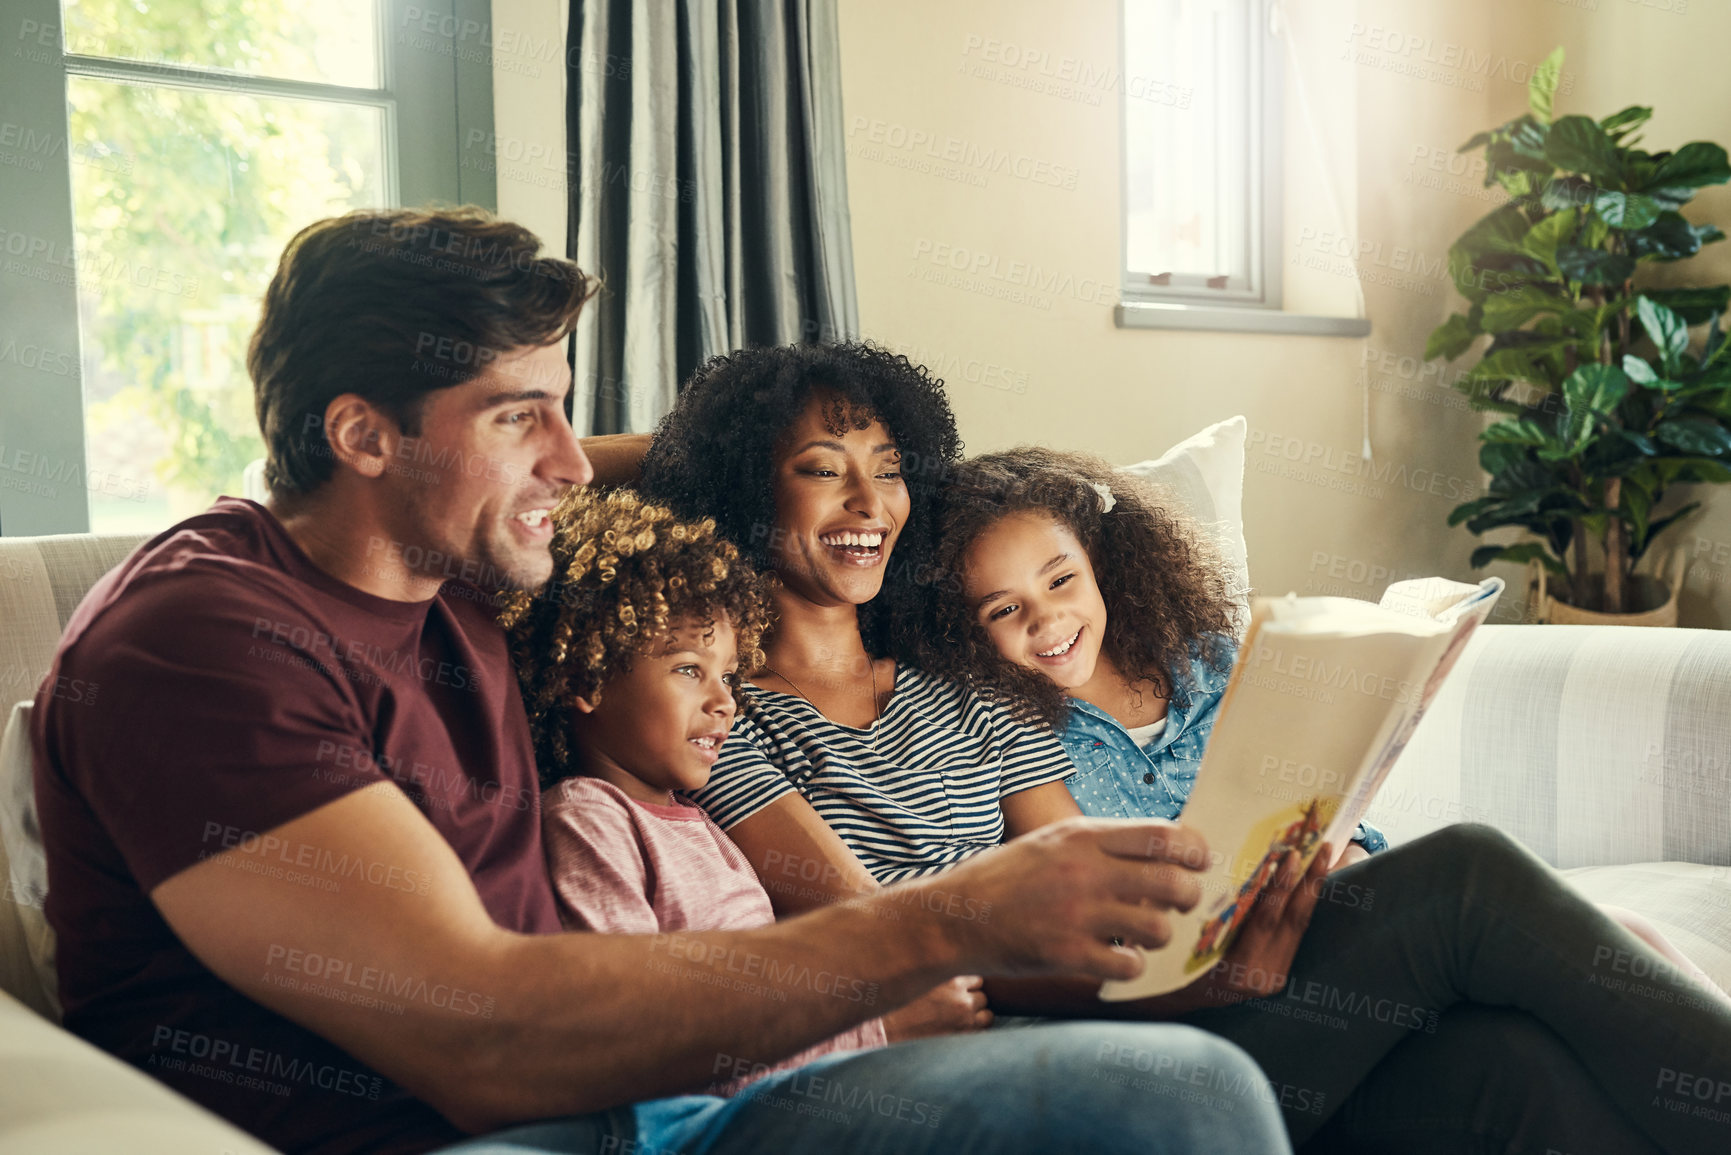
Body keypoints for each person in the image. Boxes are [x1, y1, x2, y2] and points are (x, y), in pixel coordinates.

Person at [29, 207, 1293, 1155]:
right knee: (1178, 1094)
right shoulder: (204, 643)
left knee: (1456, 1035)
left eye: (567, 409)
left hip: (640, 1092)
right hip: (491, 1130)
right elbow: (471, 1031)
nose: (578, 464)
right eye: (523, 414)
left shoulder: (454, 561)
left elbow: (704, 471)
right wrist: (952, 921)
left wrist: (853, 486)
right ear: (364, 434)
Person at [636, 355, 1731, 1153]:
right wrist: (1198, 990)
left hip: (1158, 1004)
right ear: (744, 495)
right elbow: (879, 947)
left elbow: (1100, 892)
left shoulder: (963, 689)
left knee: (1508, 1068)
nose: (870, 503)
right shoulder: (729, 721)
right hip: (1014, 1054)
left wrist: (1216, 939)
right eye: (825, 471)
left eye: (887, 467)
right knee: (1467, 880)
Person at [503, 484, 889, 1093]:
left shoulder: (699, 824)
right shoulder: (588, 817)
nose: (725, 703)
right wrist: (880, 1031)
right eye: (688, 669)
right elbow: (634, 1025)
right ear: (586, 677)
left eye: (730, 677)